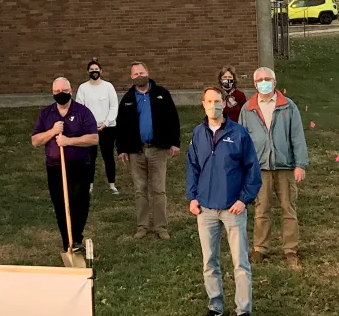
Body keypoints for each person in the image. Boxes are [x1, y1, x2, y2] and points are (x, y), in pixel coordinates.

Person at [187, 88, 261, 316]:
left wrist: (243, 199)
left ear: (223, 104)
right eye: (209, 101)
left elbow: (252, 170)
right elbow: (192, 167)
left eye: (217, 101)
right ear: (203, 104)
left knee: (240, 263)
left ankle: (243, 310)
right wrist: (192, 198)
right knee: (209, 261)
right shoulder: (198, 133)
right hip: (206, 209)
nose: (213, 105)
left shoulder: (238, 133)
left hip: (233, 209)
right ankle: (215, 306)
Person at [239, 67, 308, 270]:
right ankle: (260, 248)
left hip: (285, 167)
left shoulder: (288, 106)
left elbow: (297, 137)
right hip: (259, 169)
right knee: (261, 210)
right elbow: (242, 141)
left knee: (288, 209)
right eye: (259, 80)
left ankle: (290, 250)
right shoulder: (247, 109)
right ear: (254, 84)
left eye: (267, 79)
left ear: (274, 82)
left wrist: (299, 164)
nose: (263, 82)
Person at [32, 77, 99, 253]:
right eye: (56, 92)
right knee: (60, 205)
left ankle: (76, 237)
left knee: (80, 202)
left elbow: (93, 138)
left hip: (79, 166)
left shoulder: (83, 112)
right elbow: (35, 140)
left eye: (63, 91)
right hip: (55, 167)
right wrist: (52, 131)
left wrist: (68, 140)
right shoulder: (46, 114)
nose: (60, 94)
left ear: (71, 91)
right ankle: (67, 242)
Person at [116, 61, 180, 240]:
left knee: (159, 189)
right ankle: (142, 226)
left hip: (158, 150)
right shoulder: (128, 99)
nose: (139, 76)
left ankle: (161, 227)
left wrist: (175, 143)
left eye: (141, 72)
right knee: (140, 189)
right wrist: (121, 149)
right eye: (135, 74)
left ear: (148, 72)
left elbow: (173, 119)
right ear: (131, 77)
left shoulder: (162, 94)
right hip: (136, 152)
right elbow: (120, 126)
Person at [75, 58, 120, 195]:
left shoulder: (108, 87)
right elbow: (79, 109)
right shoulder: (83, 88)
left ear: (101, 71)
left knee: (108, 157)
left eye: (96, 70)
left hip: (108, 128)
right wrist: (90, 125)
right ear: (88, 71)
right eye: (92, 70)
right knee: (89, 158)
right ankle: (89, 186)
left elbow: (114, 106)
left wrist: (106, 123)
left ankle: (112, 185)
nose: (94, 72)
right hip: (89, 130)